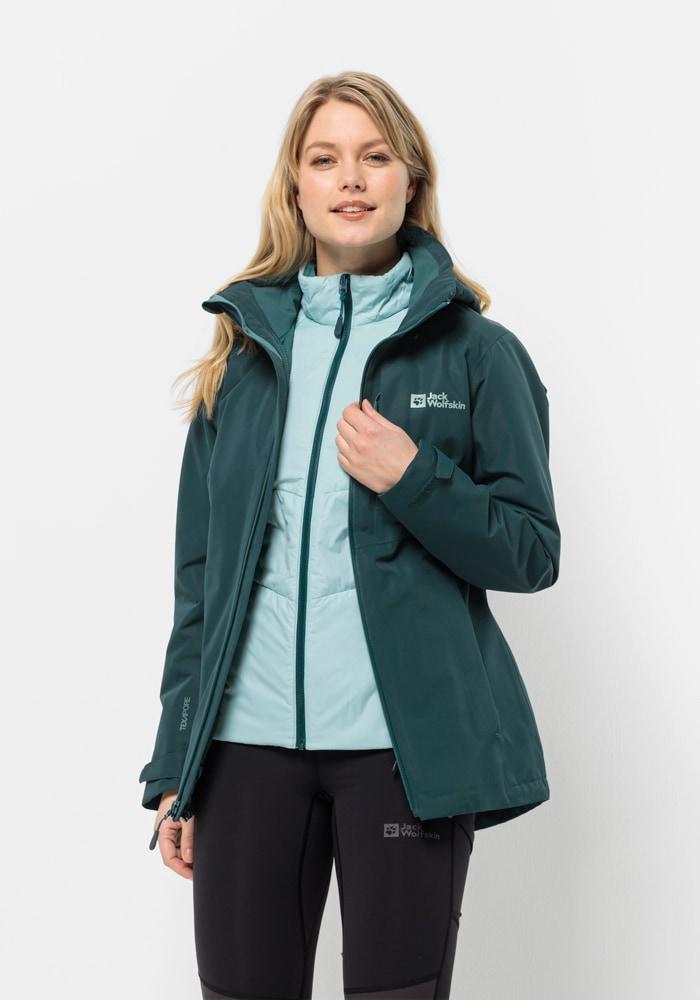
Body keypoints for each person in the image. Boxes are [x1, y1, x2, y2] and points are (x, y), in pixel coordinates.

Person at [138, 70, 561, 1000]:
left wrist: (414, 477)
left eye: (375, 157)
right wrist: (177, 765)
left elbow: (531, 552)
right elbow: (201, 585)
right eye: (325, 159)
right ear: (296, 186)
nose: (352, 179)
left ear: (412, 181)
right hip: (245, 752)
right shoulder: (242, 363)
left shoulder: (478, 354)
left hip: (400, 753)